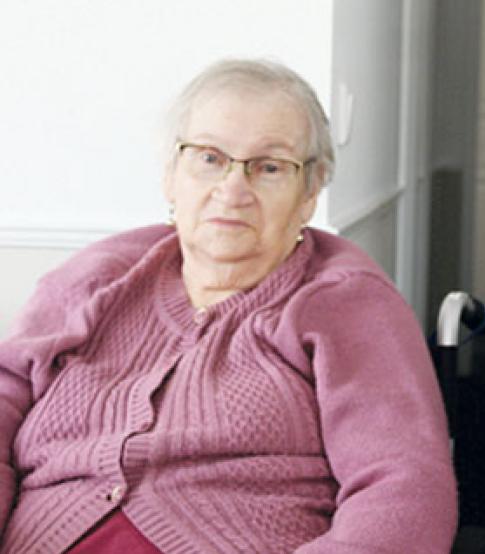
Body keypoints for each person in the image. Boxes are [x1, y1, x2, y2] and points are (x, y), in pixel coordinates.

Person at [0, 59, 457, 553]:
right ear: (172, 176)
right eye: (210, 158)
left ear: (309, 194)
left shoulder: (345, 304)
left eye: (269, 167)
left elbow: (402, 488)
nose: (233, 190)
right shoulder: (100, 278)